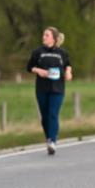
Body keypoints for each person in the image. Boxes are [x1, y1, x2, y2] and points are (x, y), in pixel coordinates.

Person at [26, 27, 72, 155]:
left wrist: (68, 72)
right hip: (42, 88)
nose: (44, 37)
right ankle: (49, 138)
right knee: (45, 117)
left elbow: (68, 65)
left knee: (53, 114)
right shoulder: (37, 52)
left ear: (54, 38)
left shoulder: (62, 53)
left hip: (58, 89)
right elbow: (29, 67)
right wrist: (38, 71)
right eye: (43, 35)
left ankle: (53, 141)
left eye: (47, 35)